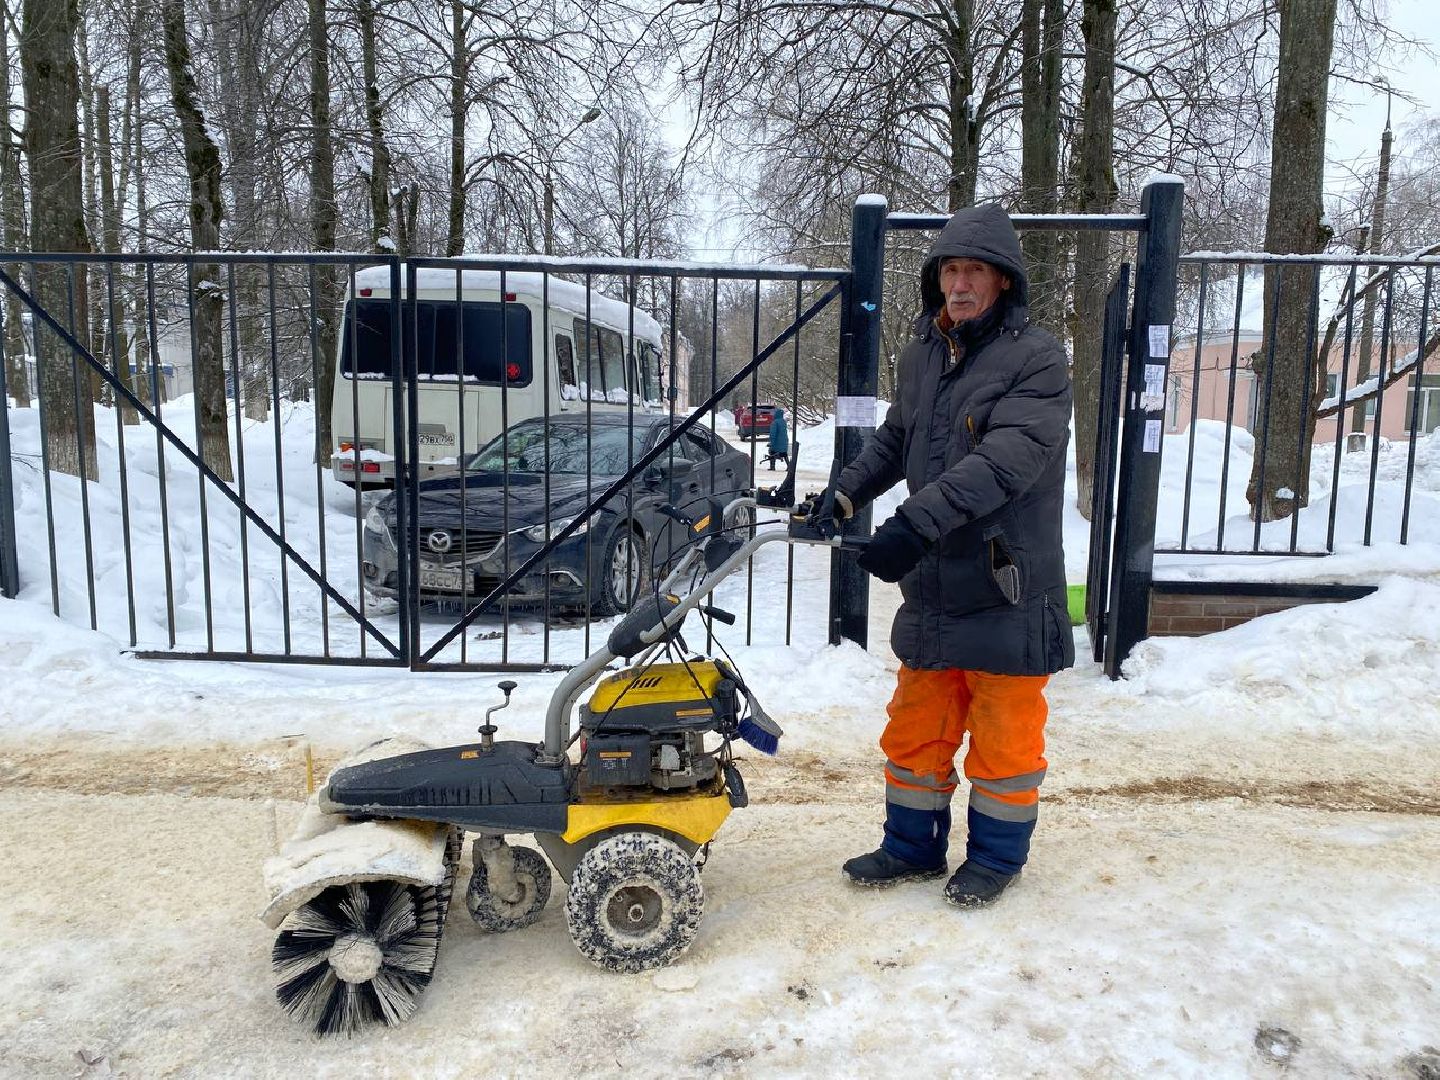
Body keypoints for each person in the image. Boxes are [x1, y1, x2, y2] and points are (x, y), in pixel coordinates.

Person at [807, 203, 1075, 908]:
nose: (960, 284)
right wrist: (842, 494)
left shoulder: (1038, 359)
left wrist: (912, 522)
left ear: (1004, 283)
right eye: (950, 270)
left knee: (1004, 739)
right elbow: (897, 437)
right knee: (917, 725)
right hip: (935, 581)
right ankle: (910, 847)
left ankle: (994, 858)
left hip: (1004, 581)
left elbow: (1004, 463)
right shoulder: (925, 350)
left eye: (974, 271)